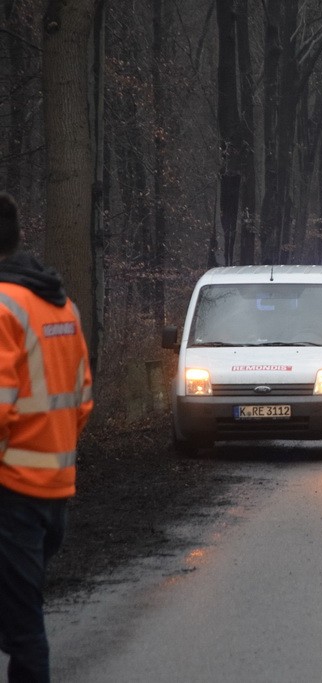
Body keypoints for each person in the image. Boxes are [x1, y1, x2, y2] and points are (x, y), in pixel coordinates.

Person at [0, 193, 93, 682]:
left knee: (24, 630)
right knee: (20, 608)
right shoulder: (62, 304)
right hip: (54, 487)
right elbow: (81, 399)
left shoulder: (3, 308)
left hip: (12, 492)